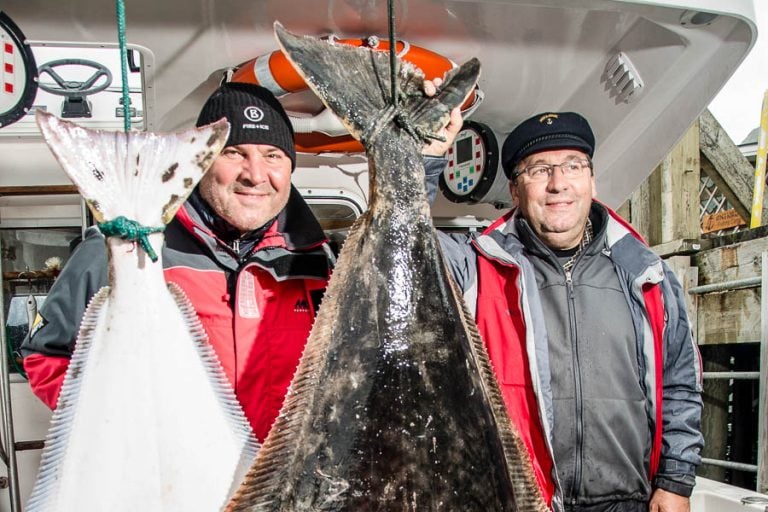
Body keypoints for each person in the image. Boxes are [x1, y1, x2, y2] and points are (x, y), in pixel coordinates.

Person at [20, 82, 336, 442]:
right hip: (174, 483)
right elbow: (46, 358)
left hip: (285, 484)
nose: (255, 174)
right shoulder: (120, 247)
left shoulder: (320, 263)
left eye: (273, 155)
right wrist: (118, 429)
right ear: (201, 163)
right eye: (233, 152)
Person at [424, 110, 703, 512]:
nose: (558, 183)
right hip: (517, 502)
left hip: (628, 503)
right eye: (539, 170)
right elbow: (403, 249)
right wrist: (426, 159)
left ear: (591, 180)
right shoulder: (474, 266)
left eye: (573, 165)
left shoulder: (647, 275)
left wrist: (676, 481)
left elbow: (680, 382)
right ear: (515, 191)